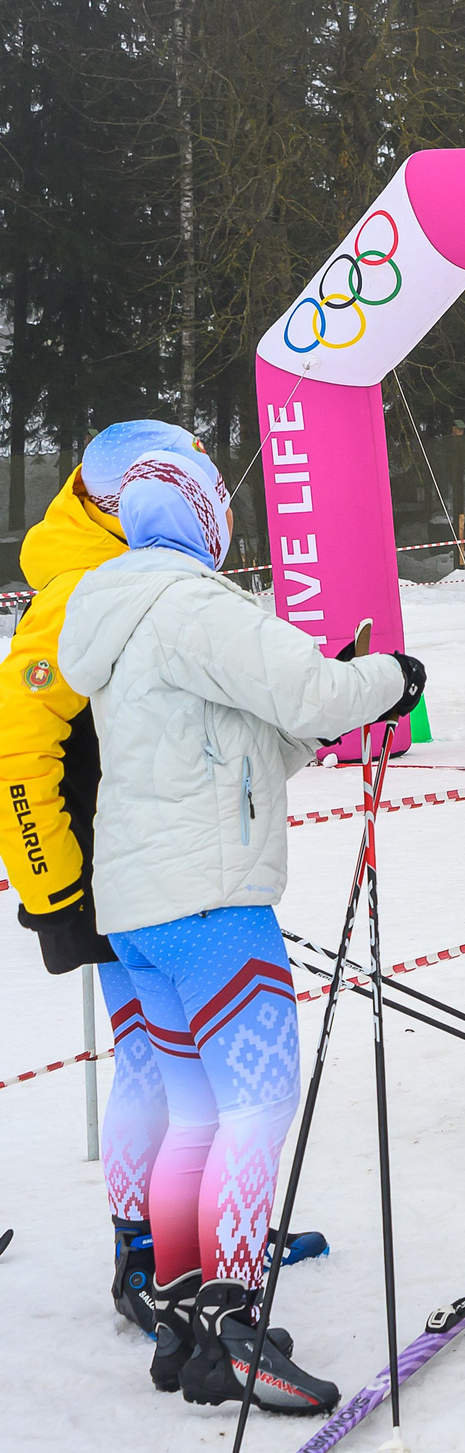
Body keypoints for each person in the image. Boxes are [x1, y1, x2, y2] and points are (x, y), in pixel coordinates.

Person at [58, 446, 422, 1412]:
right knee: (257, 1105)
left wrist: (330, 705)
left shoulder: (113, 615)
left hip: (139, 906)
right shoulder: (195, 604)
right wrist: (388, 678)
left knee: (201, 1111)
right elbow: (310, 691)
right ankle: (235, 1319)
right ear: (198, 512)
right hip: (212, 901)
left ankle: (179, 1310)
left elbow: (251, 746)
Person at [0, 421, 207, 1332]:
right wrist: (53, 890)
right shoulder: (83, 581)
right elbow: (15, 749)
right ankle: (142, 1253)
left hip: (159, 857)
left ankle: (191, 1224)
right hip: (103, 871)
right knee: (156, 1060)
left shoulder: (129, 559)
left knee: (187, 1056)